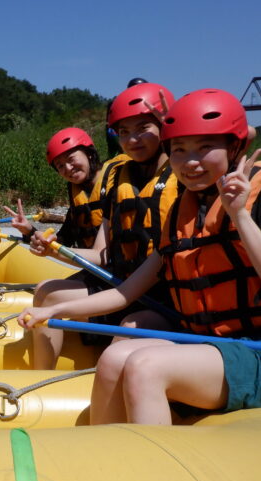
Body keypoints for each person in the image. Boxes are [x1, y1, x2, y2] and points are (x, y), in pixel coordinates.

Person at [18, 88, 261, 425]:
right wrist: (56, 309)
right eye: (179, 149)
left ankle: (154, 474)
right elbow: (125, 292)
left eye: (205, 148)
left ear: (234, 146)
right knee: (114, 358)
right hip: (206, 342)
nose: (190, 162)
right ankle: (101, 456)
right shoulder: (181, 211)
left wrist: (240, 216)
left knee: (144, 367)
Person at [15, 83, 179, 370]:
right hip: (124, 282)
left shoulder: (185, 179)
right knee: (46, 291)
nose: (133, 139)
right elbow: (103, 255)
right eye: (124, 132)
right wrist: (48, 247)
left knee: (126, 329)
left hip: (163, 297)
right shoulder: (119, 182)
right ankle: (41, 379)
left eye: (143, 128)